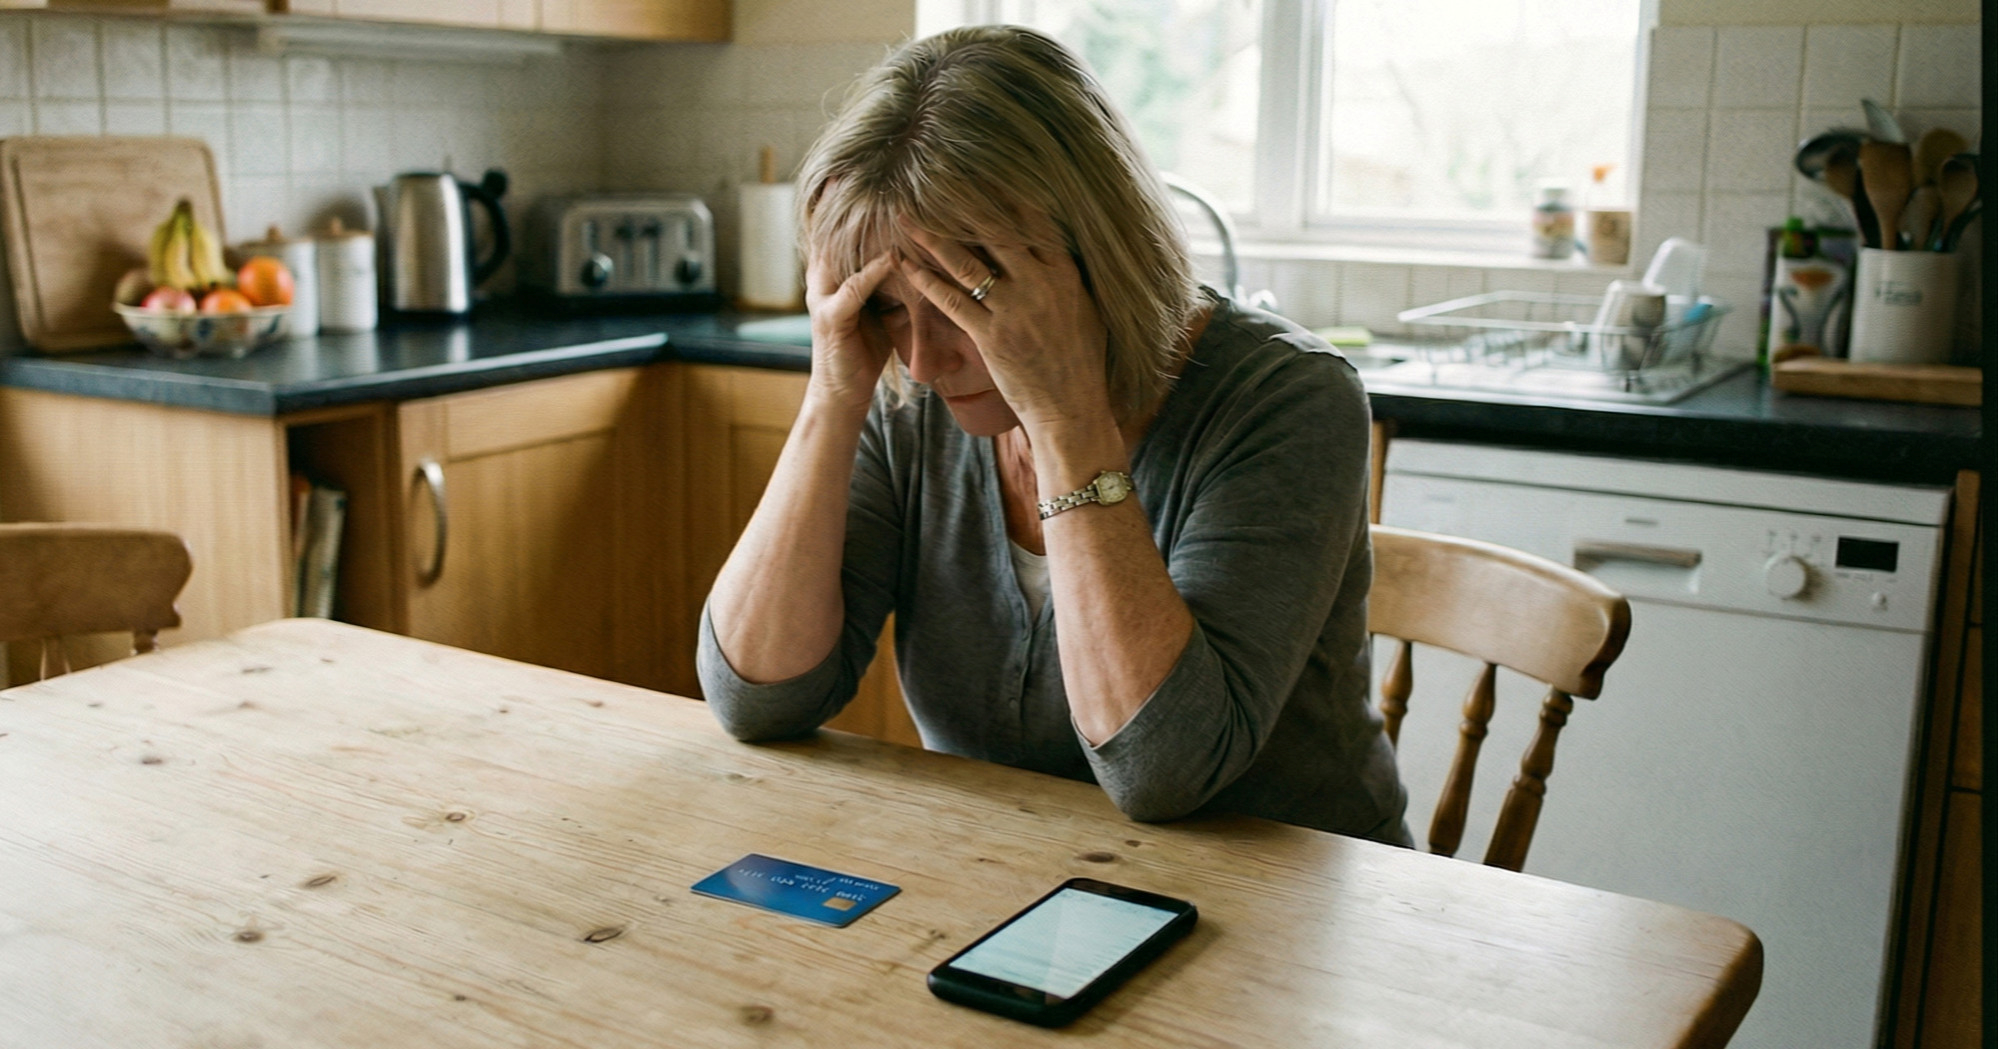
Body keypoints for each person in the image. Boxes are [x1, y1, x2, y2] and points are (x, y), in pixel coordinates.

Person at [698, 24, 1409, 845]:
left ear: (1092, 256)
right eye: (890, 309)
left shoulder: (1291, 399)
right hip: (1015, 877)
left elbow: (1162, 768)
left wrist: (1065, 416)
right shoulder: (904, 395)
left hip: (1286, 912)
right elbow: (756, 697)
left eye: (970, 300)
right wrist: (833, 394)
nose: (923, 362)